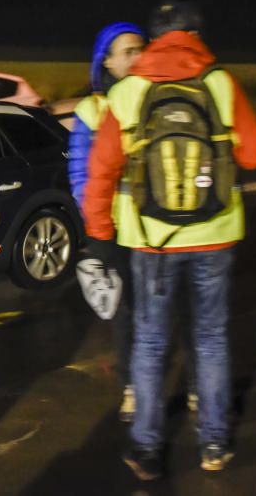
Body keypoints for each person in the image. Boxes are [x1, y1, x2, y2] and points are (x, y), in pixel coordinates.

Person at [83, 0, 256, 480]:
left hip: (151, 239)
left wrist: (100, 232)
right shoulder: (219, 82)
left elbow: (101, 170)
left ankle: (146, 448)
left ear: (156, 37)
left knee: (149, 342)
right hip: (215, 234)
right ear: (196, 35)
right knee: (210, 338)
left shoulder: (128, 91)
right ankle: (213, 443)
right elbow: (255, 154)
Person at [68, 22, 144, 421]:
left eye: (140, 49)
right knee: (127, 313)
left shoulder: (157, 96)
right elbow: (81, 175)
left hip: (157, 227)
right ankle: (132, 387)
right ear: (107, 62)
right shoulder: (92, 110)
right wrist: (97, 226)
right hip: (114, 229)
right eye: (126, 51)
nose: (136, 58)